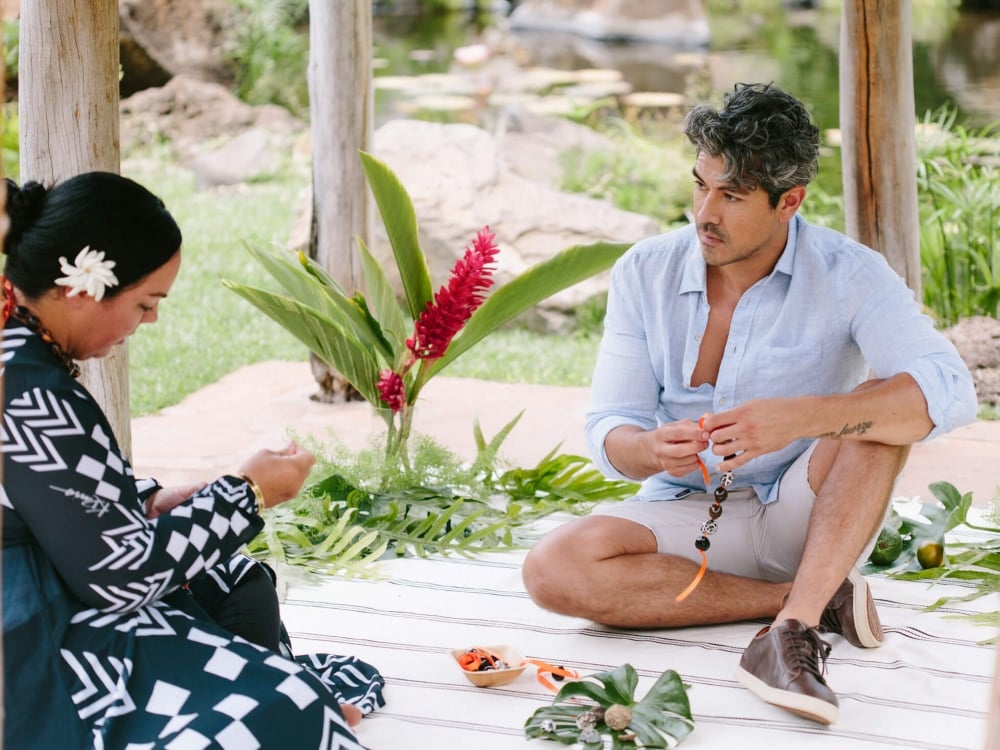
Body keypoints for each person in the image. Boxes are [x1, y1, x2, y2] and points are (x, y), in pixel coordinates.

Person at [521, 83, 978, 726]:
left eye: (731, 196)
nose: (705, 212)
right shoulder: (644, 271)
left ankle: (790, 634)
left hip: (811, 517)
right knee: (553, 569)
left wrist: (802, 417)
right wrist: (648, 449)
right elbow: (609, 428)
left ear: (789, 202)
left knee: (879, 410)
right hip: (687, 518)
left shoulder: (851, 272)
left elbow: (951, 391)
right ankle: (809, 602)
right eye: (701, 185)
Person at [1, 172, 384, 748]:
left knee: (236, 583)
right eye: (145, 302)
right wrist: (246, 494)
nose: (150, 320)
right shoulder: (28, 391)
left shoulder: (20, 354)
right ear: (84, 286)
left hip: (54, 585)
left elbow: (46, 495)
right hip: (36, 633)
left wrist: (153, 500)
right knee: (284, 710)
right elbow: (121, 577)